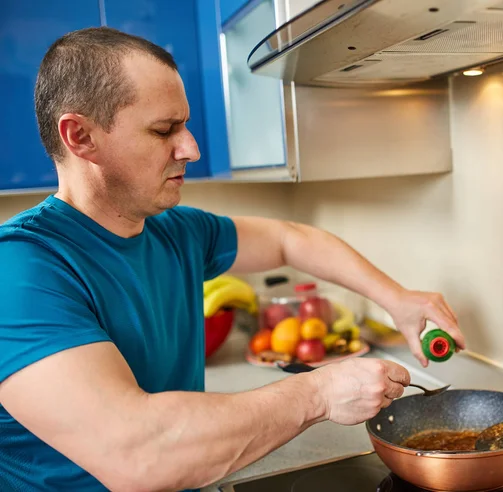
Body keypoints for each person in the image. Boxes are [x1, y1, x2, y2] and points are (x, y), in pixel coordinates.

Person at [0, 27, 464, 491]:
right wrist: (319, 392)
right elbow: (137, 454)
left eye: (183, 125)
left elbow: (289, 239)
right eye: (164, 130)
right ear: (80, 136)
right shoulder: (20, 269)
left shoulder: (174, 231)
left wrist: (397, 298)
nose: (191, 148)